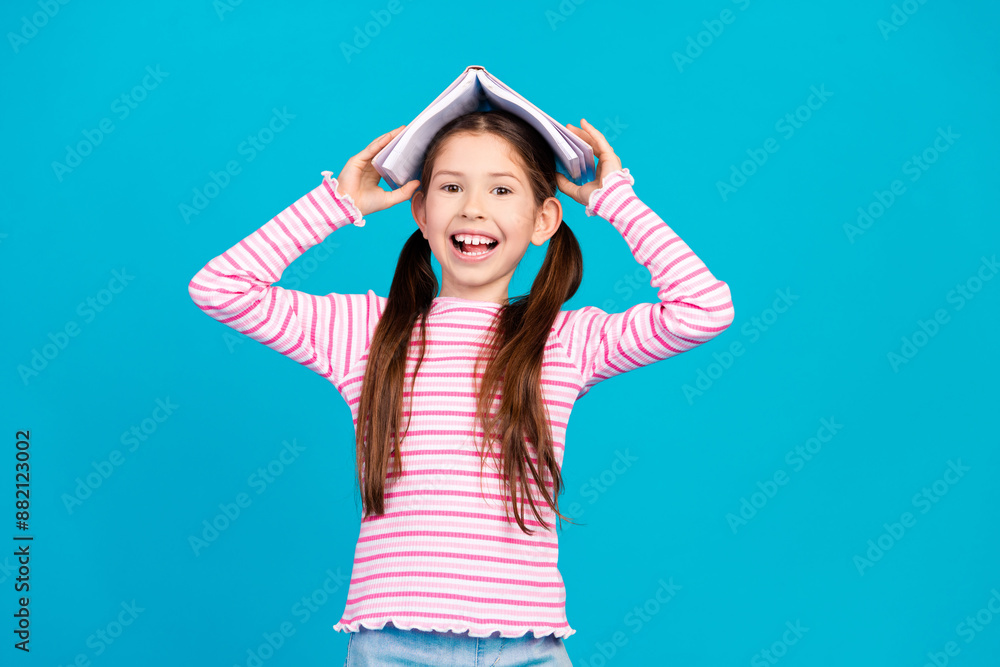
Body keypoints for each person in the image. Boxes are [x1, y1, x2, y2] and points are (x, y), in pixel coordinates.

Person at [188, 110, 735, 666]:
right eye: (451, 187)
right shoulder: (365, 332)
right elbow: (220, 288)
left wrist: (615, 200)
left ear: (544, 219)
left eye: (501, 189)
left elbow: (703, 310)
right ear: (421, 213)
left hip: (527, 644)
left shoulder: (565, 340)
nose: (473, 207)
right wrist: (337, 204)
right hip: (392, 643)